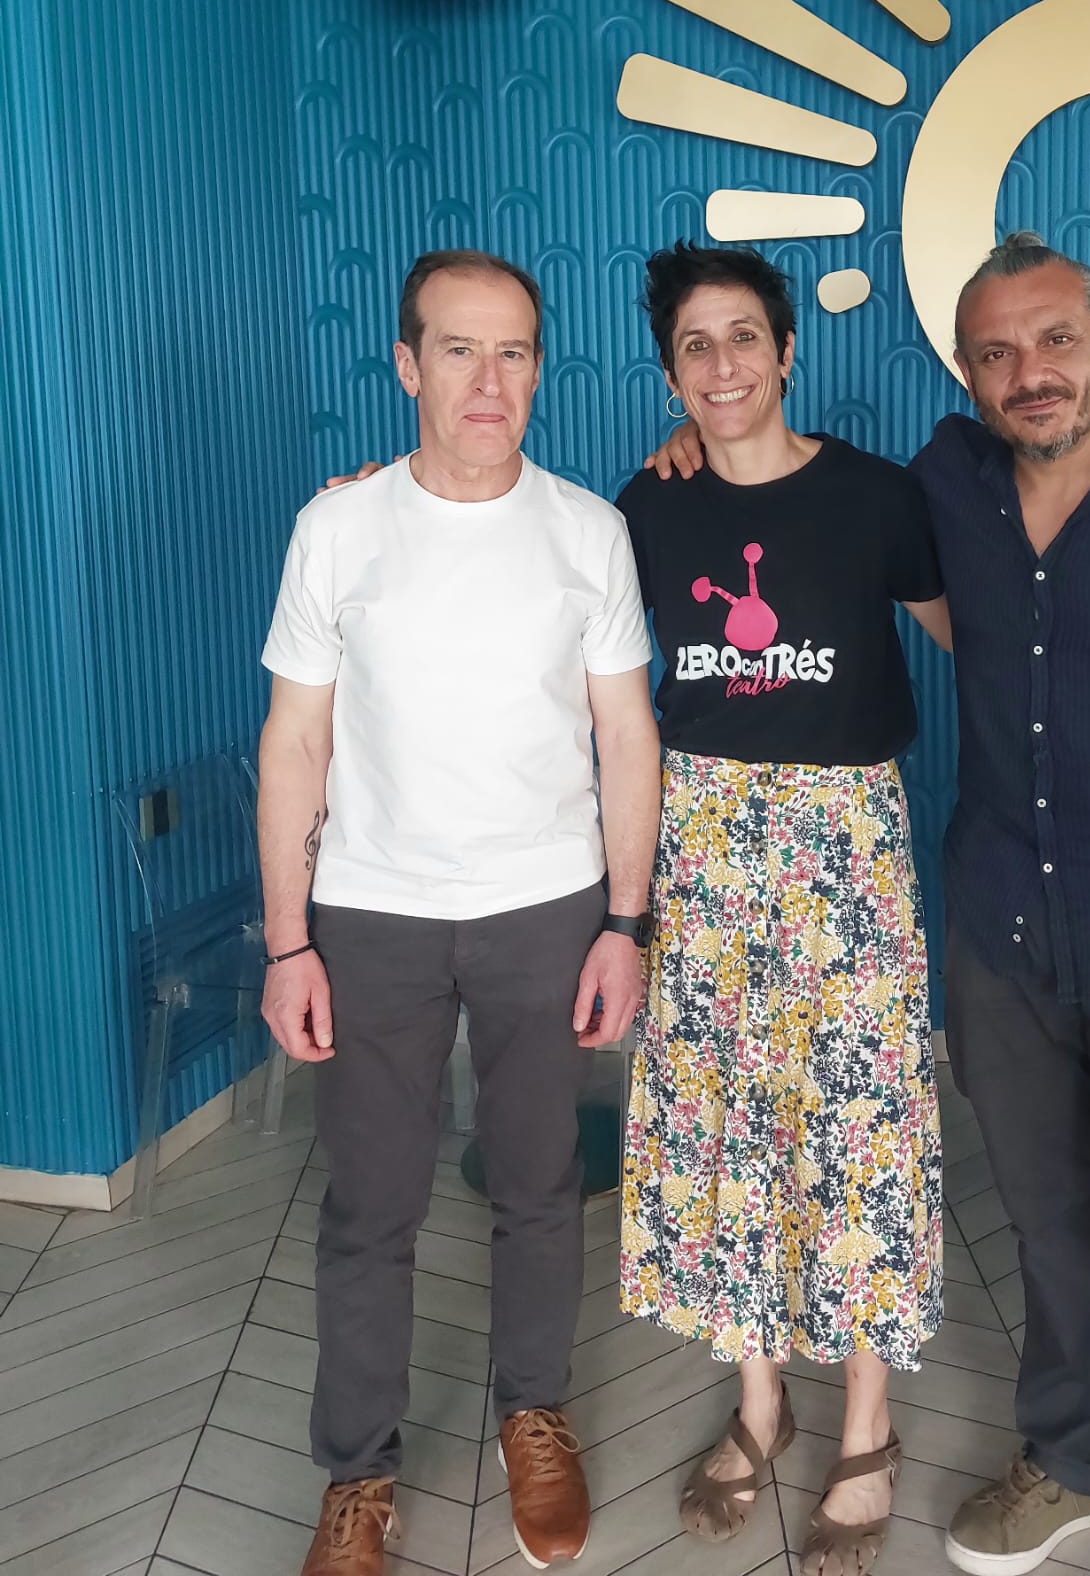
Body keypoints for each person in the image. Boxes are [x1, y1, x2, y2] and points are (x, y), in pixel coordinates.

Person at [649, 231, 1090, 1576]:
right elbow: (782, 497)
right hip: (1002, 928)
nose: (1030, 372)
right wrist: (699, 441)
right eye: (996, 353)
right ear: (968, 372)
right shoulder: (951, 480)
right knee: (1044, 1223)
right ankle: (1072, 1458)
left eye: (1054, 340)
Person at [258, 248, 660, 1576]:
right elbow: (295, 743)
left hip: (547, 910)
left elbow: (627, 735)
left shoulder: (587, 532)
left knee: (540, 1185)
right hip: (371, 915)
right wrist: (288, 942)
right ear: (407, 365)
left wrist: (624, 924)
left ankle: (532, 1414)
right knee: (370, 1206)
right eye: (459, 350)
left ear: (540, 369)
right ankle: (358, 1475)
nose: (490, 381)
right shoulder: (337, 529)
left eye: (515, 353)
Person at [615, 242, 949, 1576]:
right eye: (694, 346)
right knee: (725, 1120)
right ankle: (761, 1404)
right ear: (670, 373)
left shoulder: (877, 497)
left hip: (849, 841)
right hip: (704, 838)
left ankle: (869, 1421)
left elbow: (984, 632)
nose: (723, 365)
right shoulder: (647, 507)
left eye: (744, 336)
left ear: (788, 349)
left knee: (860, 1119)